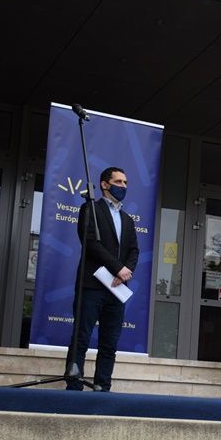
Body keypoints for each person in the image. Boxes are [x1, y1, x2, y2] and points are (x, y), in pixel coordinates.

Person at [65, 166, 139, 391]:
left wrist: (126, 270)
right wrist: (117, 268)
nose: (123, 186)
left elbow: (134, 250)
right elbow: (90, 243)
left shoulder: (127, 219)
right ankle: (74, 387)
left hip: (116, 289)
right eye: (118, 182)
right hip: (92, 286)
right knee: (81, 337)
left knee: (110, 342)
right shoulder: (90, 209)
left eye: (125, 182)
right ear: (104, 184)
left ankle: (102, 387)